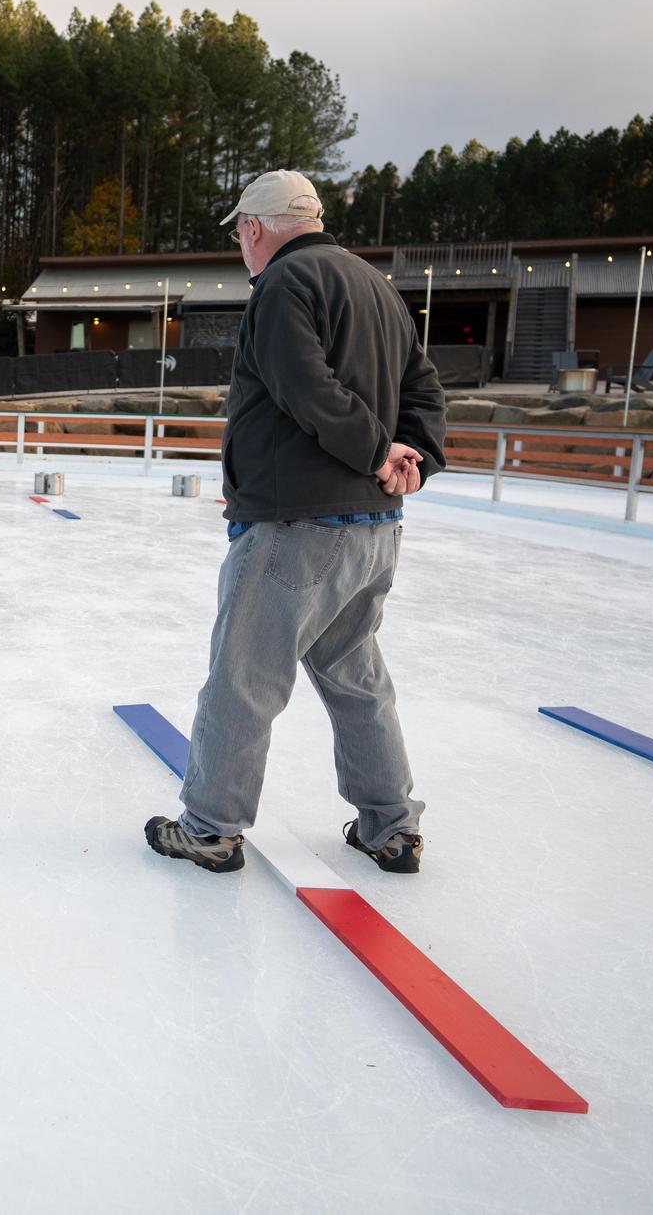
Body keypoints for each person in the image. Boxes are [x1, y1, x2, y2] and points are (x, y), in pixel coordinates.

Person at [143, 170, 446, 876]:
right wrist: (415, 460)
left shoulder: (284, 285)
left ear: (255, 227)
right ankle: (391, 824)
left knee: (242, 677)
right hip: (373, 528)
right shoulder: (376, 287)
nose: (241, 247)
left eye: (239, 233)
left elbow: (305, 386)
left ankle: (212, 825)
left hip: (297, 525)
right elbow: (423, 386)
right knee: (355, 674)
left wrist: (378, 451)